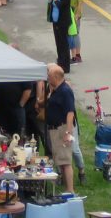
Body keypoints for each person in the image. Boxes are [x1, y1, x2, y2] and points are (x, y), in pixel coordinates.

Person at [45, 63, 77, 194]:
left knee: (65, 161)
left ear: (56, 76)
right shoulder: (56, 89)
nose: (47, 78)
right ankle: (66, 189)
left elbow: (70, 112)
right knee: (61, 161)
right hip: (55, 128)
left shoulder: (65, 90)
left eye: (49, 76)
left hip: (62, 128)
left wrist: (68, 132)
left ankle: (70, 190)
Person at [48, 0, 73, 72]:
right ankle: (60, 62)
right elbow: (52, 4)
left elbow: (60, 5)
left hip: (63, 22)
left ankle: (65, 66)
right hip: (56, 21)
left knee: (64, 43)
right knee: (58, 43)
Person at [64, 0, 84, 64]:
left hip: (74, 13)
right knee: (69, 34)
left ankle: (78, 55)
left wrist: (78, 14)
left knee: (75, 34)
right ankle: (71, 55)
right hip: (67, 12)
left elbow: (80, 1)